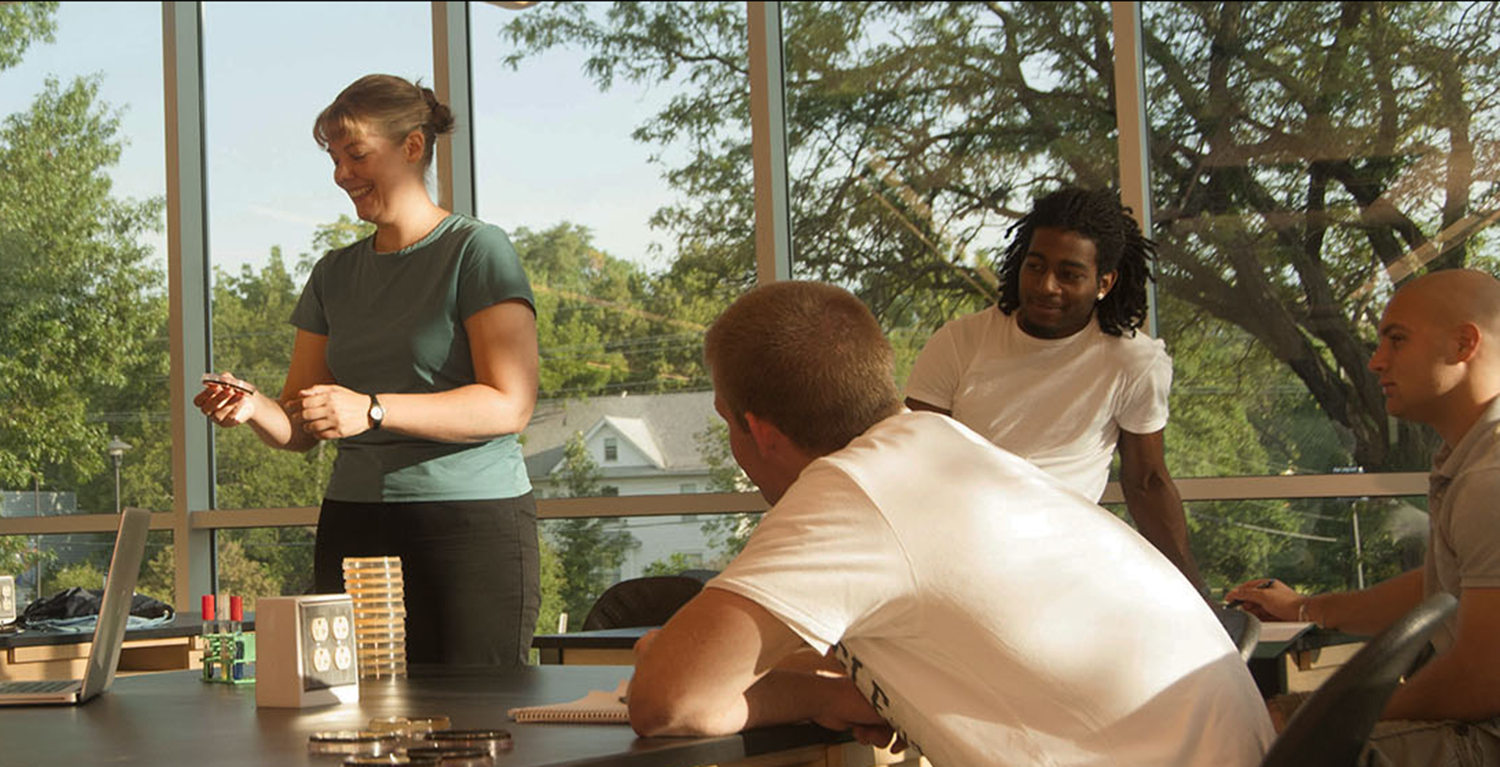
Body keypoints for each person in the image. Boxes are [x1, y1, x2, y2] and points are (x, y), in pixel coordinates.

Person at [627, 281, 1273, 767]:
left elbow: (669, 699)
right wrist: (860, 691)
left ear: (757, 430)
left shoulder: (852, 490)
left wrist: (824, 697)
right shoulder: (954, 454)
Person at [194, 74, 539, 666]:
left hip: (469, 527)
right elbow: (302, 428)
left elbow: (510, 405)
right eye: (334, 159)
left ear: (411, 146)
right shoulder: (333, 274)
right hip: (355, 525)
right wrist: (254, 408)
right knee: (348, 714)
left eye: (356, 154)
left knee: (475, 726)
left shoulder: (477, 251)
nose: (342, 174)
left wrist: (374, 408)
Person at [1226, 269, 1500, 765]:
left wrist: (1327, 713)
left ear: (1464, 344)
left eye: (1397, 340)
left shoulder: (1491, 477)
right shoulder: (1472, 456)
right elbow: (1444, 588)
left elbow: (1481, 681)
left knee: (1259, 739)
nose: (1376, 362)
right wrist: (1306, 608)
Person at [904, 186, 1200, 586]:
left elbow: (1146, 482)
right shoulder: (960, 341)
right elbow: (912, 458)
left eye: (1069, 274)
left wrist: (1194, 592)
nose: (1047, 286)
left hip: (1062, 566)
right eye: (1036, 266)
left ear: (1104, 282)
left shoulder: (1133, 362)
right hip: (956, 551)